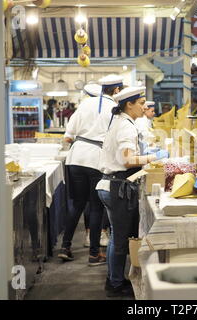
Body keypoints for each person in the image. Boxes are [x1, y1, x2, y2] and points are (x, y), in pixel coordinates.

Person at [96, 87, 169, 297]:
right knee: (119, 240)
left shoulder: (123, 122)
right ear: (129, 104)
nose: (145, 107)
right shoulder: (126, 126)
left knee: (116, 238)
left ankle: (115, 279)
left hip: (112, 185)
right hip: (117, 186)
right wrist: (153, 158)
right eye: (141, 102)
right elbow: (127, 160)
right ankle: (115, 284)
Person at [58, 74, 124, 266]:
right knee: (95, 207)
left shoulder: (85, 105)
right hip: (96, 159)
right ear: (117, 90)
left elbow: (68, 137)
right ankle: (94, 254)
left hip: (76, 158)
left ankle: (65, 247)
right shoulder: (114, 108)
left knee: (77, 204)